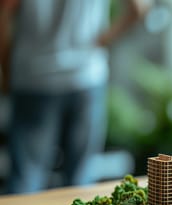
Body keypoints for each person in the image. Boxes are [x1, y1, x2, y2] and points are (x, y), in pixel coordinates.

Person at [0, 0, 148, 193]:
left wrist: (7, 70)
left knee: (27, 176)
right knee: (80, 179)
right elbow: (140, 7)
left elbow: (4, 16)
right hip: (86, 75)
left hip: (34, 76)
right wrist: (104, 40)